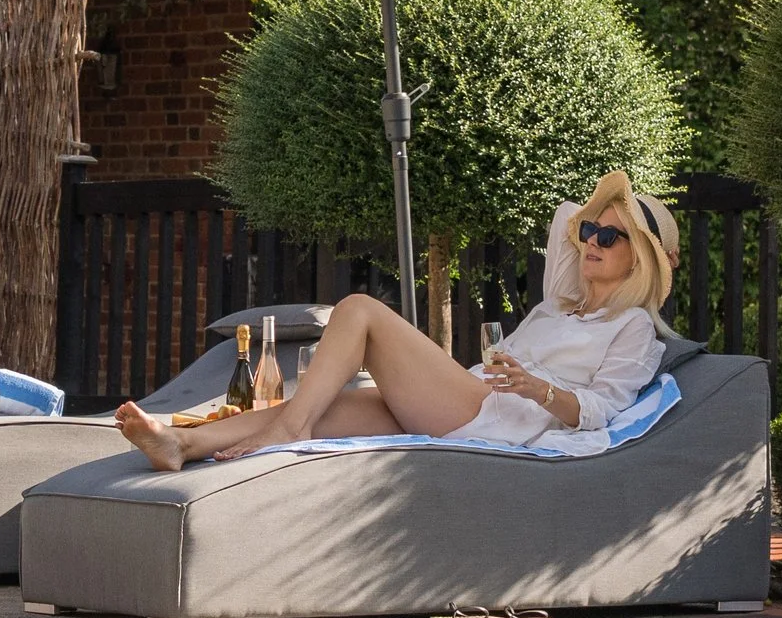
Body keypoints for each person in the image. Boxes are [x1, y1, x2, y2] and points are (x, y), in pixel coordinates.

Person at [114, 170, 679, 472]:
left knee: (359, 309)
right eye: (590, 232)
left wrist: (541, 389)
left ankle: (289, 432)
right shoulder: (560, 304)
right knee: (318, 403)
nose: (591, 242)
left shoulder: (631, 325)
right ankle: (179, 446)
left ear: (643, 259)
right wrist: (598, 213)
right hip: (478, 396)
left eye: (612, 236)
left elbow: (605, 408)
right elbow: (563, 220)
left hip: (500, 417)